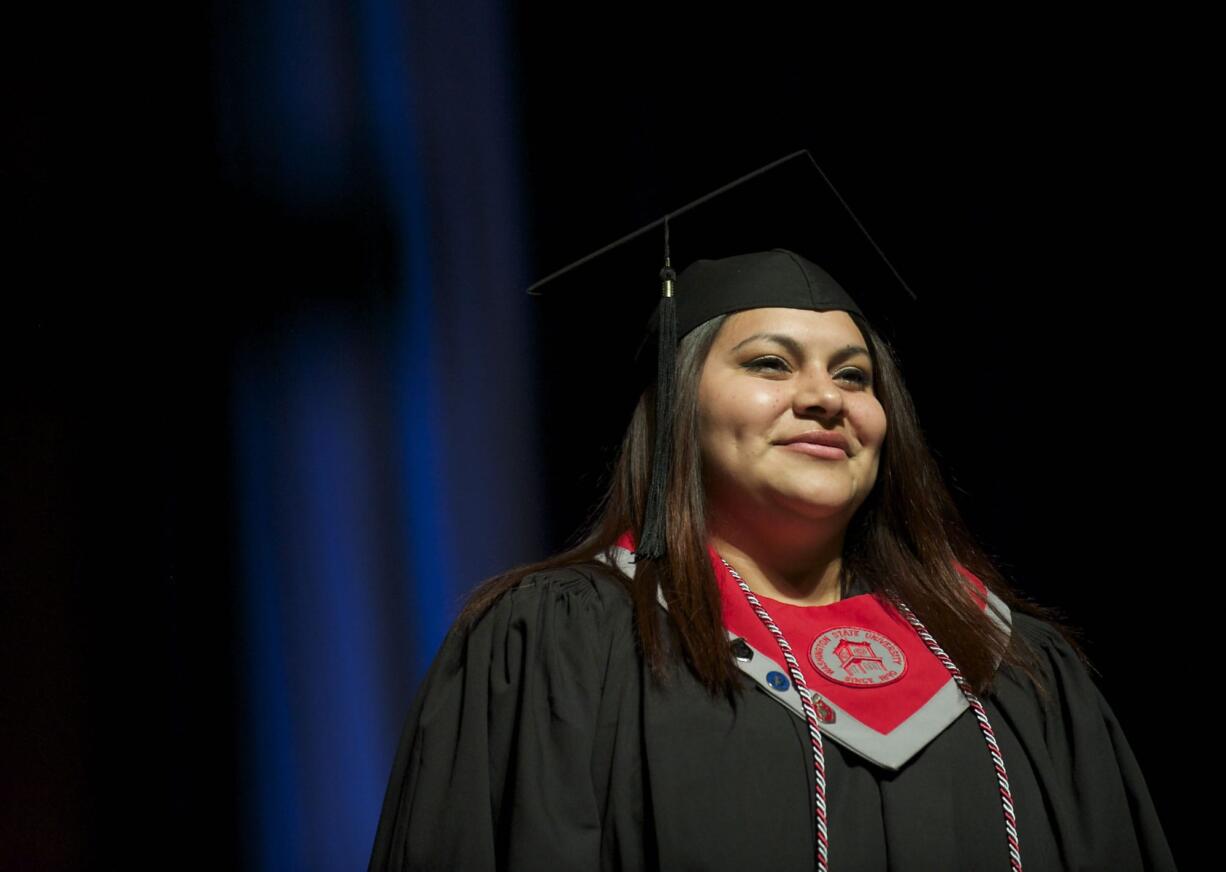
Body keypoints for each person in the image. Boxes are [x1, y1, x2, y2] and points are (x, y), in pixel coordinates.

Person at [368, 152, 1176, 871]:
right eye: (769, 364)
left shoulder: (1013, 668)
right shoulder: (560, 647)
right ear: (681, 404)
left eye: (855, 376)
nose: (825, 398)